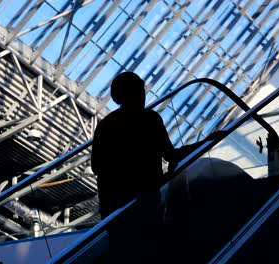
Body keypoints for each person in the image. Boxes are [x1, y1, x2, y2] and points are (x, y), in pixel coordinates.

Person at [91, 72, 222, 263]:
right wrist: (205, 143)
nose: (144, 95)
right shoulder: (149, 120)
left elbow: (96, 167)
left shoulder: (106, 125)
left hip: (114, 209)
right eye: (141, 91)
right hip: (146, 203)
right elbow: (171, 155)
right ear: (136, 93)